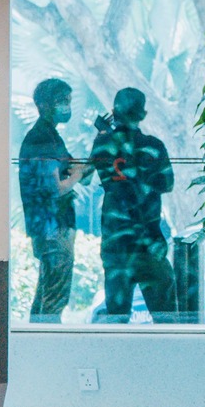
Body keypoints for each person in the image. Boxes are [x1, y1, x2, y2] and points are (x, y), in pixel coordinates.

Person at [88, 87, 177, 323]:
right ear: (143, 114)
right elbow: (167, 183)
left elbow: (96, 171)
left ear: (114, 112)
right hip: (149, 243)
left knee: (117, 318)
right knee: (166, 317)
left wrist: (106, 133)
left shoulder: (102, 145)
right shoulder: (154, 146)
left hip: (116, 246)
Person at [19, 78, 85, 325]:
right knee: (55, 296)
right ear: (44, 104)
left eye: (68, 101)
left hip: (53, 225)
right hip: (52, 227)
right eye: (61, 101)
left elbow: (72, 166)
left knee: (47, 290)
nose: (67, 106)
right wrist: (77, 175)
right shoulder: (41, 139)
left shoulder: (53, 137)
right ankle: (45, 343)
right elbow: (55, 187)